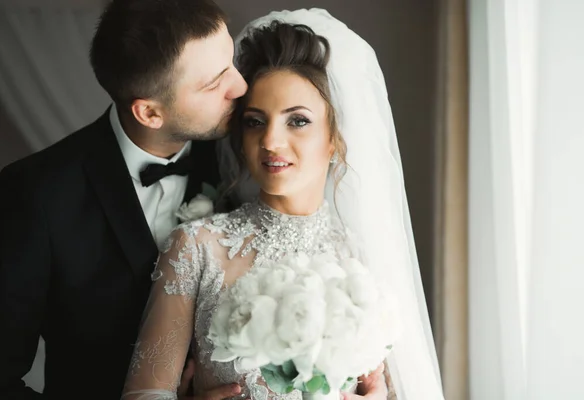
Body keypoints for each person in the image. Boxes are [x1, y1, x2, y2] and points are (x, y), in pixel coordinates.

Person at [122, 9, 444, 400]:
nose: (271, 141)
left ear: (335, 139)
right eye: (256, 122)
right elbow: (143, 394)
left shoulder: (364, 254)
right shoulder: (196, 248)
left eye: (298, 121)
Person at [0, 0, 247, 398]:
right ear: (149, 113)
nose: (241, 86)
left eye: (231, 62)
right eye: (214, 82)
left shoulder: (249, 159)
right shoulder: (34, 195)